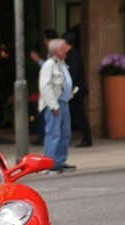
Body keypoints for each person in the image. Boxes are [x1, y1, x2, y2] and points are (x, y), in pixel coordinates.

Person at [38, 39, 76, 175]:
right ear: (55, 51)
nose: (66, 51)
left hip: (64, 102)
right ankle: (49, 163)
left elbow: (63, 82)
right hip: (55, 103)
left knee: (65, 133)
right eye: (63, 49)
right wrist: (53, 105)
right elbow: (45, 86)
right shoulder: (49, 65)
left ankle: (59, 161)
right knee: (53, 134)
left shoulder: (61, 64)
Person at [63, 30, 92, 147]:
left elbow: (73, 74)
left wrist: (70, 88)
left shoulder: (73, 55)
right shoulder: (70, 55)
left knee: (80, 115)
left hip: (76, 90)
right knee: (76, 114)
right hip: (74, 90)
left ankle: (87, 138)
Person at [30, 29, 59, 146]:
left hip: (51, 90)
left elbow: (49, 68)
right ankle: (43, 137)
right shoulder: (52, 52)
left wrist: (38, 60)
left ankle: (44, 138)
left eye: (45, 39)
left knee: (45, 115)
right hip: (49, 89)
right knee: (43, 114)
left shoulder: (54, 53)